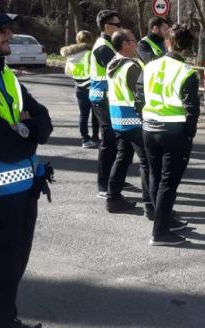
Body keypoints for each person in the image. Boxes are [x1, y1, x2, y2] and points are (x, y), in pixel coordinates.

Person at [0, 5, 53, 328]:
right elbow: (2, 143)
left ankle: (5, 319)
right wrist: (27, 133)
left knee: (11, 268)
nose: (9, 33)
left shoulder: (5, 76)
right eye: (1, 29)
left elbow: (45, 120)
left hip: (23, 194)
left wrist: (27, 129)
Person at [136, 24, 197, 246]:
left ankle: (164, 219)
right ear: (189, 47)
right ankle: (160, 232)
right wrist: (189, 136)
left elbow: (138, 96)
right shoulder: (187, 72)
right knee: (168, 183)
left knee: (155, 175)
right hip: (174, 131)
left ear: (167, 42)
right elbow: (192, 110)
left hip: (149, 128)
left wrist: (146, 117)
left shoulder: (150, 65)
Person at [105, 29, 152, 214]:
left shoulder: (114, 63)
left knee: (122, 158)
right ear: (124, 44)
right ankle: (152, 206)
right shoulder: (131, 67)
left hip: (118, 119)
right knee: (147, 162)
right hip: (134, 121)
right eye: (133, 41)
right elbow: (140, 95)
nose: (136, 43)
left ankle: (113, 198)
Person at [90, 10, 120, 198]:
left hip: (107, 97)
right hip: (101, 98)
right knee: (108, 140)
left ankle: (112, 178)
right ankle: (103, 185)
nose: (120, 27)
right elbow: (118, 69)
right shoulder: (103, 47)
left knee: (114, 140)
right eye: (117, 24)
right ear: (107, 26)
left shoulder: (108, 43)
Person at [61, 30, 100, 149]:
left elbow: (67, 71)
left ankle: (85, 139)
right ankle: (95, 137)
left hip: (79, 87)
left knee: (83, 115)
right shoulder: (90, 53)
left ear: (77, 40)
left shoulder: (70, 55)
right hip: (92, 86)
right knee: (95, 114)